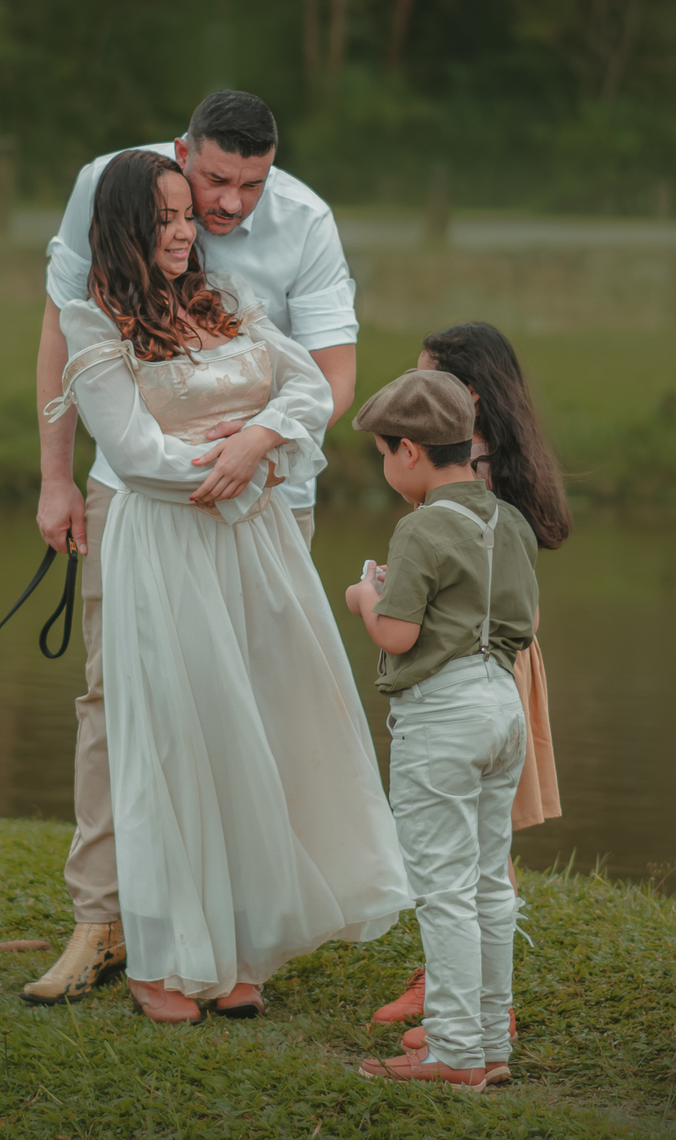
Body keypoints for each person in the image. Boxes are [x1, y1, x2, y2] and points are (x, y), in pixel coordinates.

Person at [41, 149, 410, 1022]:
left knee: (253, 724)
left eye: (185, 218)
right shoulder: (94, 323)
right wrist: (241, 460)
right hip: (164, 542)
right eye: (165, 219)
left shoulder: (225, 300)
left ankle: (237, 946)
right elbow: (133, 453)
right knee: (169, 733)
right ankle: (159, 956)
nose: (182, 234)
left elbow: (310, 384)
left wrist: (261, 444)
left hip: (253, 541)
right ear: (126, 224)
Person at [344, 369, 539, 1090]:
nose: (388, 467)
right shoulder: (509, 520)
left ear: (411, 453)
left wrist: (368, 595)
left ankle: (452, 1052)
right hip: (501, 706)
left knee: (444, 888)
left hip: (443, 716)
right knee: (491, 883)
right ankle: (489, 1041)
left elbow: (396, 633)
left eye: (384, 454)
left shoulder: (421, 525)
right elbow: (528, 623)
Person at [371, 321, 567, 1029]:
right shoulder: (495, 461)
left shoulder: (471, 477)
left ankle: (464, 1001)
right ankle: (472, 997)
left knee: (471, 849)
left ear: (468, 396)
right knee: (481, 844)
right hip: (492, 657)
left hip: (476, 663)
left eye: (428, 381)